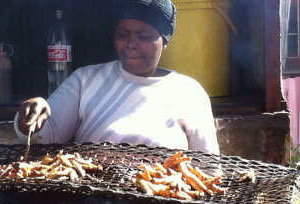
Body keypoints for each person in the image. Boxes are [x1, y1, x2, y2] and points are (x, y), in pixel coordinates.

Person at [15, 0, 219, 154]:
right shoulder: (85, 79)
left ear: (164, 41)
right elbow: (45, 135)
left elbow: (210, 169)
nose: (131, 43)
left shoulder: (189, 93)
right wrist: (31, 116)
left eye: (144, 36)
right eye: (123, 34)